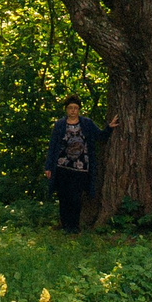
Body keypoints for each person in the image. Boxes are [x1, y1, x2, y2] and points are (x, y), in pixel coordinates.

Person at [42, 96, 121, 233]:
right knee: (63, 197)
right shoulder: (60, 125)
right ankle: (65, 226)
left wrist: (109, 128)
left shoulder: (86, 123)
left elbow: (100, 137)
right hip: (62, 167)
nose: (73, 111)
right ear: (66, 109)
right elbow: (53, 146)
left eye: (75, 108)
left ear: (79, 109)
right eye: (70, 108)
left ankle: (74, 226)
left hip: (80, 168)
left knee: (75, 198)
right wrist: (48, 167)